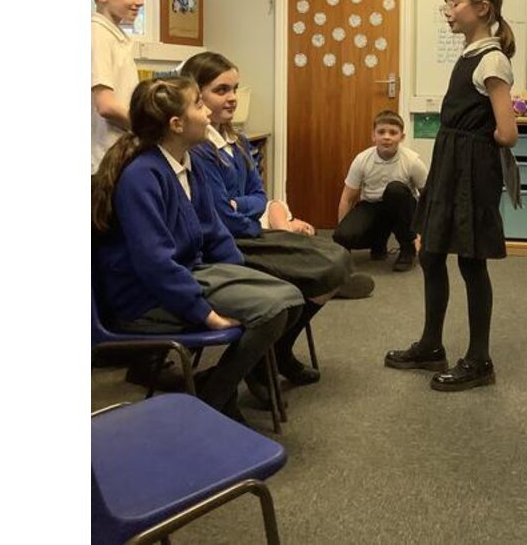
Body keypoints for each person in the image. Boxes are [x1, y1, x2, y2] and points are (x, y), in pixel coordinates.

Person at [92, 76, 304, 422]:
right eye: (199, 105)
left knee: (290, 299)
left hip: (186, 275)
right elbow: (155, 264)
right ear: (177, 124)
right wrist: (205, 313)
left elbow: (214, 233)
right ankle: (213, 401)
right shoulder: (142, 175)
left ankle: (214, 387)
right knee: (272, 311)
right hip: (144, 298)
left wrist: (241, 274)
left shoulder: (188, 163)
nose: (207, 113)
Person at [179, 51, 363, 408]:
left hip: (250, 232)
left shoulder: (237, 142)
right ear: (196, 95)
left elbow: (258, 195)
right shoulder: (200, 150)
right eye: (221, 90)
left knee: (336, 260)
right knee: (321, 267)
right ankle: (261, 362)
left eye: (235, 88)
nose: (232, 97)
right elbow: (223, 217)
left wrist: (244, 207)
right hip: (231, 243)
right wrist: (246, 211)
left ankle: (279, 349)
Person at [385, 0, 519, 392]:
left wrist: (472, 144)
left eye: (455, 2)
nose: (448, 11)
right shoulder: (469, 54)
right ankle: (431, 345)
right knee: (431, 253)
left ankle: (480, 359)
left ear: (483, 7)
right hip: (450, 163)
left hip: (472, 168)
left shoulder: (492, 59)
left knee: (471, 261)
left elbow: (507, 132)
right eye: (447, 2)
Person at [334, 110, 429, 272]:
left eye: (393, 133)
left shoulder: (413, 161)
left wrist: (420, 236)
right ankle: (378, 241)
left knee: (395, 189)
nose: (387, 137)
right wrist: (342, 238)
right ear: (373, 136)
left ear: (402, 137)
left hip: (401, 206)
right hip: (372, 206)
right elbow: (347, 198)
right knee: (342, 236)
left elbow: (427, 199)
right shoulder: (362, 160)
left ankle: (407, 249)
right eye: (381, 132)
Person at [91, 0, 147, 173]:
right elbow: (106, 105)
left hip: (118, 154)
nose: (140, 1)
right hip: (103, 161)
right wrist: (150, 129)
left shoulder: (114, 36)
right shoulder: (97, 34)